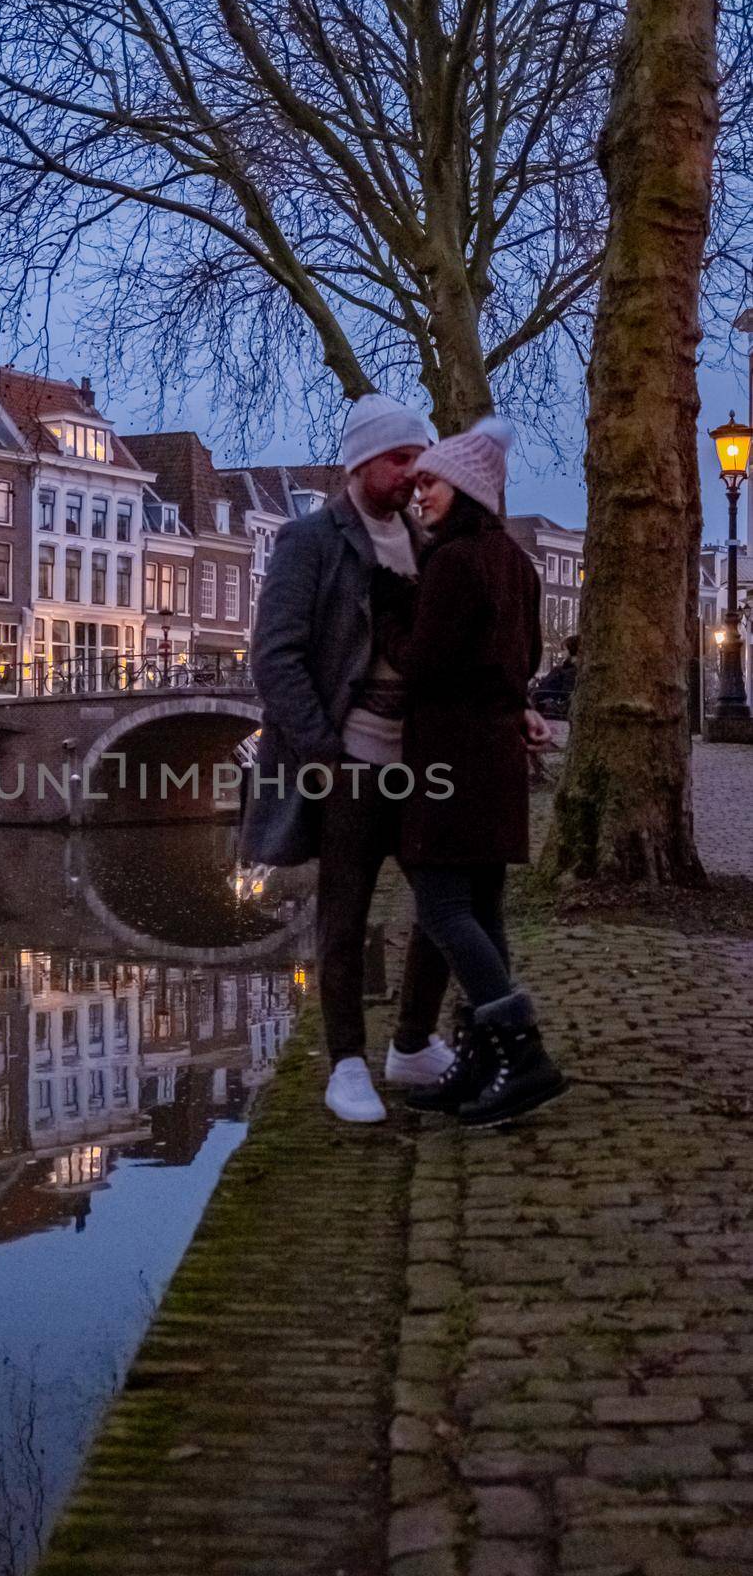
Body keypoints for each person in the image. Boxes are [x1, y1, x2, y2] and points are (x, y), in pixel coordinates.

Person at [244, 393, 456, 1124]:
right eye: (401, 459)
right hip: (351, 759)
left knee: (445, 902)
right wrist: (324, 754)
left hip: (420, 759)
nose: (413, 473)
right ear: (363, 462)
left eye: (419, 459)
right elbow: (274, 658)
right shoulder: (308, 541)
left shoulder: (427, 542)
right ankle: (345, 1063)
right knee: (343, 916)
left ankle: (411, 1041)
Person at [383, 417, 567, 1127]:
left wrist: (389, 611)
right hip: (494, 756)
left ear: (461, 488)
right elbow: (522, 661)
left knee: (440, 907)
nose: (418, 494)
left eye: (428, 482)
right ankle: (481, 1061)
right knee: (482, 908)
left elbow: (420, 665)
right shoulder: (516, 564)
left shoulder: (451, 564)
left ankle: (521, 1054)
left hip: (447, 756)